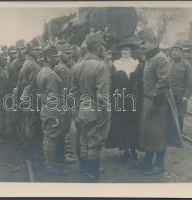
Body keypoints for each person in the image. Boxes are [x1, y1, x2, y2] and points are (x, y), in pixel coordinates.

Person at [132, 29, 183, 176]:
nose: (141, 46)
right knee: (149, 133)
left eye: (144, 42)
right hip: (149, 100)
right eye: (140, 42)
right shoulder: (150, 58)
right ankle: (147, 162)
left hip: (159, 102)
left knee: (159, 133)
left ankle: (159, 165)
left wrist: (155, 102)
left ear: (153, 42)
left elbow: (163, 82)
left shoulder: (160, 58)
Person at [71, 32, 111, 182]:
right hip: (95, 111)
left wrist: (76, 110)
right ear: (97, 47)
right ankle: (93, 174)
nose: (103, 49)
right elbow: (102, 94)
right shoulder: (101, 66)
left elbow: (73, 92)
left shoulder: (76, 66)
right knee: (94, 142)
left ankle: (84, 169)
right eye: (102, 46)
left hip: (82, 110)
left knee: (83, 140)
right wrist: (105, 114)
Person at [105, 36, 140, 161]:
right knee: (121, 123)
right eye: (123, 50)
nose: (125, 52)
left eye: (128, 50)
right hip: (119, 98)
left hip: (132, 98)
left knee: (132, 123)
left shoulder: (136, 64)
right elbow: (112, 83)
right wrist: (112, 97)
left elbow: (139, 82)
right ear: (120, 52)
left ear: (131, 52)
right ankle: (124, 148)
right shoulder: (116, 64)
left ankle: (133, 148)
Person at [37, 45, 68, 176]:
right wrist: (55, 115)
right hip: (51, 110)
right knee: (51, 138)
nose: (57, 58)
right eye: (54, 57)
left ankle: (50, 164)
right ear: (48, 58)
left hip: (46, 109)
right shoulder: (51, 74)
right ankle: (50, 168)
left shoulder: (42, 71)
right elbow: (53, 96)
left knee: (48, 138)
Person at [17, 38, 43, 159]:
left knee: (27, 124)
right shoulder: (33, 65)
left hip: (25, 97)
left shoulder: (26, 63)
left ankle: (27, 150)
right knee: (31, 125)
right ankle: (30, 153)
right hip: (31, 99)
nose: (39, 51)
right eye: (37, 49)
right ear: (30, 51)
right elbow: (35, 86)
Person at [55, 40, 75, 163]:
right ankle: (61, 158)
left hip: (58, 103)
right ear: (60, 53)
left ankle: (60, 156)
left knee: (60, 133)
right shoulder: (62, 69)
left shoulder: (58, 66)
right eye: (67, 53)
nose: (70, 56)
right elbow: (65, 90)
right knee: (62, 132)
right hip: (63, 104)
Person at [169, 44, 192, 132]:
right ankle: (171, 133)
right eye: (173, 51)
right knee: (171, 113)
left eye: (177, 51)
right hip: (170, 93)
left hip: (181, 95)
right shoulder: (170, 62)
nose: (175, 53)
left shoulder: (186, 64)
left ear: (181, 53)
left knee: (180, 115)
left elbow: (190, 82)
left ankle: (179, 133)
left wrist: (186, 96)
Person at [6, 39, 26, 138]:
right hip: (17, 91)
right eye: (19, 49)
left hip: (23, 92)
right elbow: (13, 82)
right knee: (17, 114)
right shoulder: (15, 64)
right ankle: (17, 134)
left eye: (24, 49)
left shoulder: (24, 61)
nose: (22, 51)